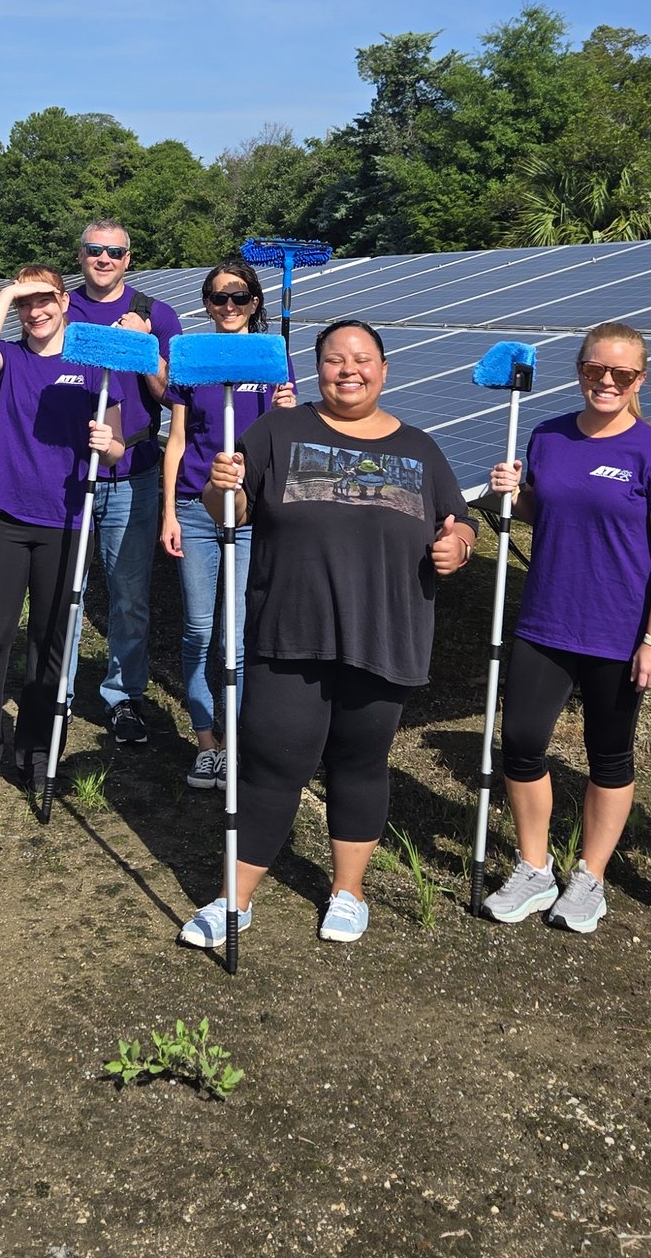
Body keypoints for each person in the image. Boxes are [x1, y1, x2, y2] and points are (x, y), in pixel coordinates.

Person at [181, 320, 475, 949]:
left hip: (385, 634)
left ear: (384, 369)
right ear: (317, 370)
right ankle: (235, 899)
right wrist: (218, 487)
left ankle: (348, 891)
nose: (349, 370)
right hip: (290, 632)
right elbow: (231, 514)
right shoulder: (276, 430)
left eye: (362, 359)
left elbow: (458, 522)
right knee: (270, 763)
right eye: (335, 359)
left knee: (360, 763)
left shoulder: (420, 448)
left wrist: (458, 546)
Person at [478, 323, 651, 933]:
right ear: (580, 370)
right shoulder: (547, 436)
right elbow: (539, 512)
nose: (606, 382)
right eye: (596, 370)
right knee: (520, 743)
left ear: (639, 380)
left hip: (618, 632)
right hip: (546, 619)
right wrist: (513, 495)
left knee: (609, 757)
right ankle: (534, 867)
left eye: (621, 375)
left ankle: (591, 879)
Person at [0, 266, 114, 802]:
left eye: (45, 299)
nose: (35, 310)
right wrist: (6, 292)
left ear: (64, 302)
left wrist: (105, 442)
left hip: (67, 523)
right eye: (26, 303)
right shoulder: (10, 361)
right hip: (4, 518)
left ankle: (38, 753)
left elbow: (115, 448)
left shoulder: (92, 363)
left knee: (51, 644)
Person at [159, 255, 295, 791]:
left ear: (255, 303)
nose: (231, 305)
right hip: (194, 506)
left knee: (235, 636)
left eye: (240, 296)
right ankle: (206, 741)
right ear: (207, 304)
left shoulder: (271, 362)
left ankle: (235, 741)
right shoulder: (190, 360)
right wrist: (169, 511)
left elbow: (285, 444)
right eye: (220, 297)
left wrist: (287, 411)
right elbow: (175, 441)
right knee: (197, 628)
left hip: (251, 511)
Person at [65, 220, 181, 745]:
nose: (104, 258)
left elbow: (175, 393)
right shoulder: (61, 309)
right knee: (63, 589)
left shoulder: (157, 314)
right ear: (82, 255)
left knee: (128, 595)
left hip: (132, 473)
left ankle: (123, 696)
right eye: (95, 250)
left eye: (114, 251)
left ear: (129, 258)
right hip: (64, 473)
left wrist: (147, 347)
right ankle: (58, 688)